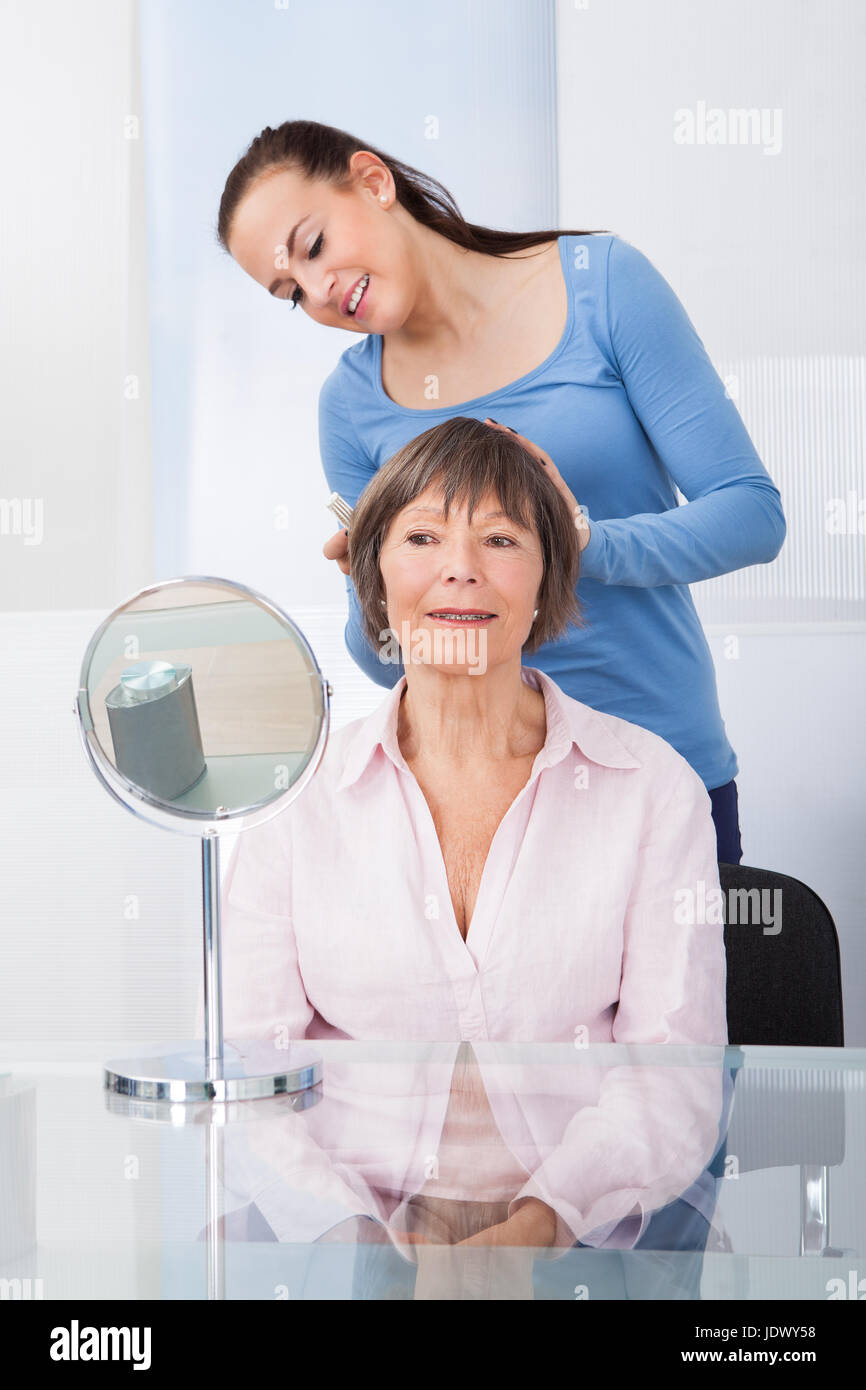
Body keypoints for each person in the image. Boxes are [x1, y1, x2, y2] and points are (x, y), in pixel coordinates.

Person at [215, 418, 729, 1264]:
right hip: (344, 1235)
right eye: (422, 537)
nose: (461, 568)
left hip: (585, 1244)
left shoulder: (651, 787)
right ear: (372, 574)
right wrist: (356, 1240)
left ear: (549, 577)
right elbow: (246, 1071)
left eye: (500, 538)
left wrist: (539, 1228)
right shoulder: (297, 797)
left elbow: (674, 1075)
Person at [217, 119, 787, 864]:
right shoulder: (351, 406)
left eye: (315, 245)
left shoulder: (604, 286)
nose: (319, 290)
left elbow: (752, 514)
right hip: (478, 802)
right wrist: (373, 591)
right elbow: (391, 660)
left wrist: (578, 542)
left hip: (661, 766)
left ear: (374, 182)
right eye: (291, 292)